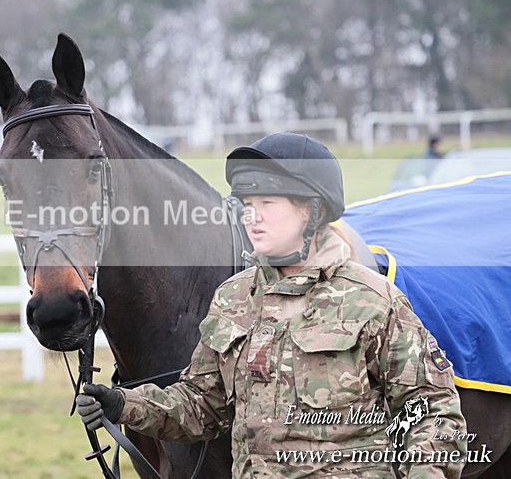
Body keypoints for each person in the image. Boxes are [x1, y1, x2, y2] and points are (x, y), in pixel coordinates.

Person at [76, 132, 467, 477]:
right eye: (247, 203)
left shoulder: (372, 301)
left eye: (267, 202)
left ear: (314, 210)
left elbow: (433, 413)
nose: (252, 217)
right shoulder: (234, 298)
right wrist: (124, 403)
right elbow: (201, 406)